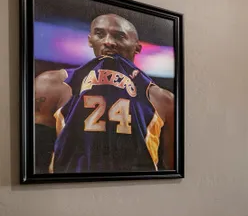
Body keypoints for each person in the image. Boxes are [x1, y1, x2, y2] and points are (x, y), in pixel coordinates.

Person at [33, 14, 175, 173]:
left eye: (119, 36)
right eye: (100, 34)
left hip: (135, 187)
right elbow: (35, 159)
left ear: (137, 47)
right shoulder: (52, 84)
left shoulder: (163, 99)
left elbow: (173, 169)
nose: (108, 42)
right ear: (90, 40)